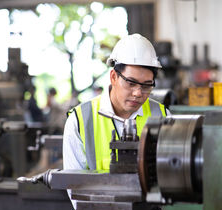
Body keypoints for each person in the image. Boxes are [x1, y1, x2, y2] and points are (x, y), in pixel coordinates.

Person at [63, 33, 169, 187]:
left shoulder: (163, 117)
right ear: (113, 77)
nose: (138, 93)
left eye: (146, 85)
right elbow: (74, 187)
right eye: (131, 83)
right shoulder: (80, 121)